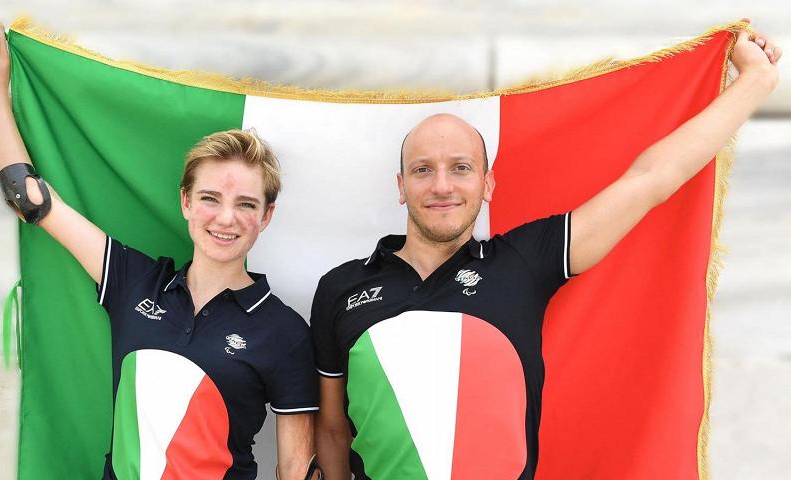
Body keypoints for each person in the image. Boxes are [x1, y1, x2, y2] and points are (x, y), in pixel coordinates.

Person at [312, 21, 782, 480]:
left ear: (487, 183)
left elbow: (650, 179)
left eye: (460, 167)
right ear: (400, 186)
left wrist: (756, 81)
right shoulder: (340, 287)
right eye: (422, 170)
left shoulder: (522, 262)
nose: (442, 186)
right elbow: (332, 432)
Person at [0, 25, 320, 480]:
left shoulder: (285, 330)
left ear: (266, 216)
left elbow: (297, 469)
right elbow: (28, 197)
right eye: (210, 198)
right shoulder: (133, 281)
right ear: (186, 203)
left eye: (246, 204)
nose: (226, 218)